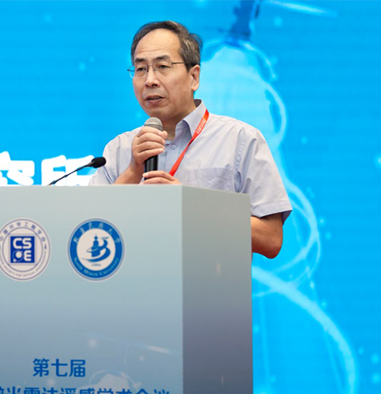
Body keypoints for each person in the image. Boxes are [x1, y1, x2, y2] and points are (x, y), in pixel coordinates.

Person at [89, 21, 292, 258]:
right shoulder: (118, 149)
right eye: (141, 69)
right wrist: (133, 171)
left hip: (212, 280)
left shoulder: (240, 140)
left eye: (162, 66)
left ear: (194, 76)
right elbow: (89, 232)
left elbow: (271, 240)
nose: (150, 80)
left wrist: (193, 207)